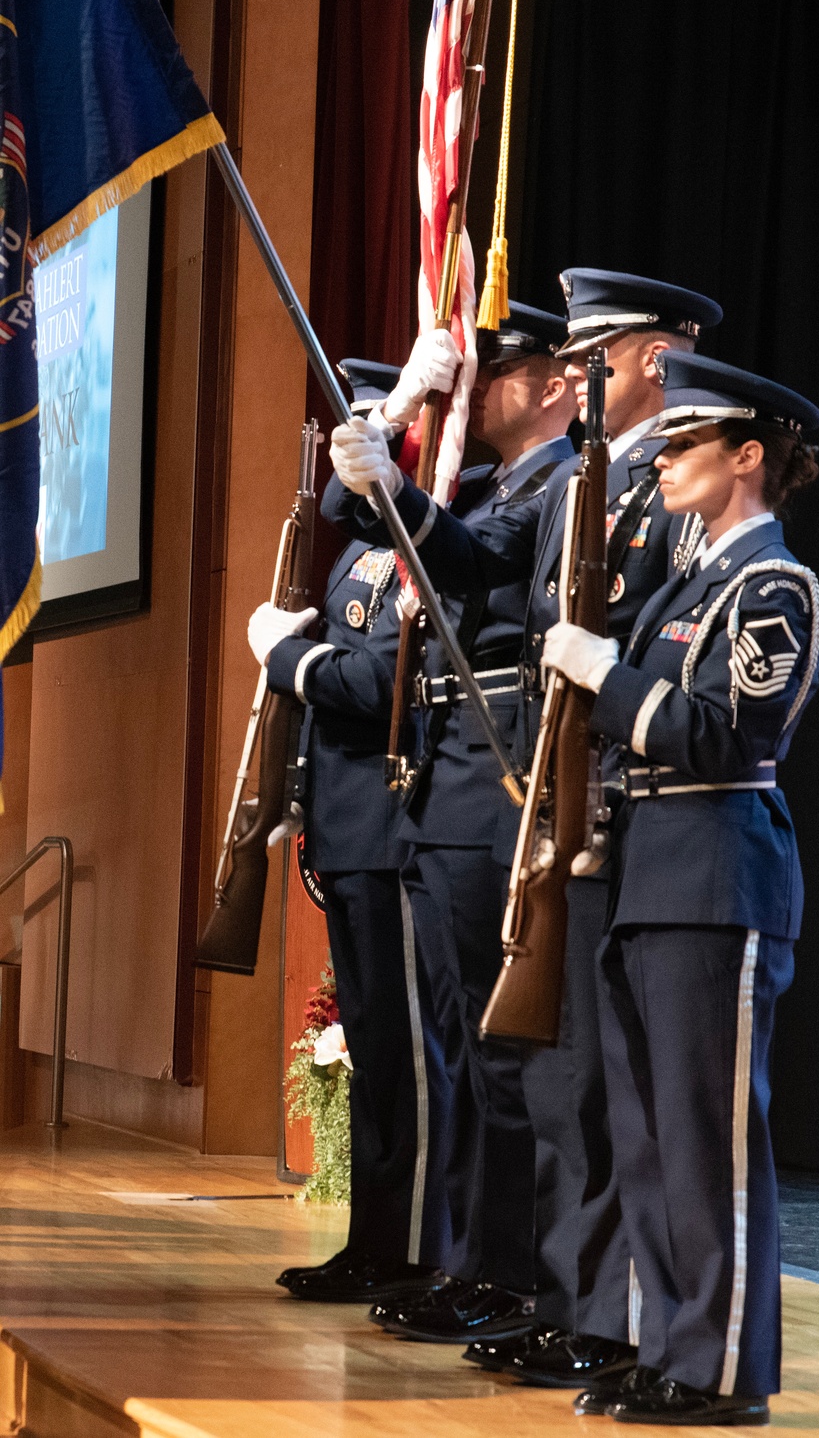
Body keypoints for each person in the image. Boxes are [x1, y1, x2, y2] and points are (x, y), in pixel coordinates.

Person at [327, 271, 724, 1388]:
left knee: (589, 1088)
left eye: (600, 357)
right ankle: (559, 1295)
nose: (580, 375)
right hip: (565, 798)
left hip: (614, 800)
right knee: (549, 1081)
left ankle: (597, 1308)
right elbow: (481, 563)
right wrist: (386, 491)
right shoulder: (581, 483)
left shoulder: (662, 488)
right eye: (578, 360)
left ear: (656, 356)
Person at [540, 349, 819, 1425]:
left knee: (710, 1145)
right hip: (648, 874)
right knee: (651, 1138)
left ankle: (720, 1373)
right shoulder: (690, 582)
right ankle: (668, 1347)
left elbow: (723, 728)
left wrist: (603, 678)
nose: (661, 462)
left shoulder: (772, 586)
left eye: (684, 445)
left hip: (716, 874)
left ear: (746, 457)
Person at [334, 304, 579, 1345]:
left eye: (501, 370)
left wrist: (390, 473)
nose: (477, 387)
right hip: (446, 775)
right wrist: (390, 425)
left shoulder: (563, 485)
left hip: (500, 774)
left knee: (503, 1043)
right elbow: (381, 531)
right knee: (466, 1044)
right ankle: (477, 1260)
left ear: (558, 386)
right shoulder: (497, 483)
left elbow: (466, 559)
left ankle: (517, 1273)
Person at [248, 359, 451, 1303]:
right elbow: (339, 497)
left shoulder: (428, 536)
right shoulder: (365, 543)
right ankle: (375, 1242)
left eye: (381, 419)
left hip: (390, 821)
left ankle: (410, 1249)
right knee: (375, 1053)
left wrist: (287, 654)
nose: (355, 439)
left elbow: (380, 685)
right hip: (344, 824)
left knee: (407, 1058)